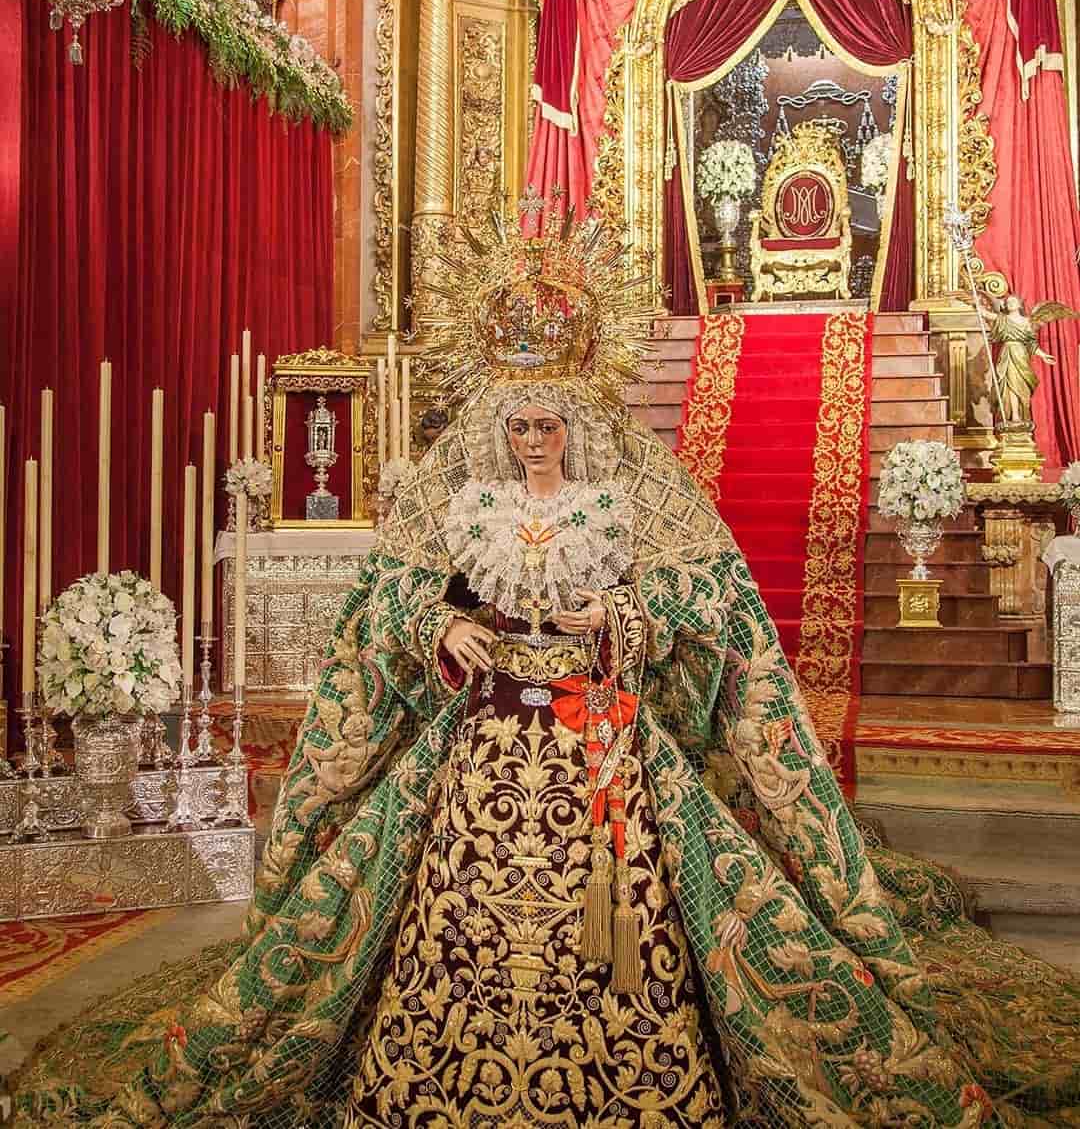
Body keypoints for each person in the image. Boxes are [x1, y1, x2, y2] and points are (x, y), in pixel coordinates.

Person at [13, 221, 1080, 1127]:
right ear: (498, 403)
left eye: (548, 416)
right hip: (479, 737)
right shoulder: (452, 477)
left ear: (577, 402)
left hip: (603, 734)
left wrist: (626, 608)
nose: (531, 436)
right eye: (518, 416)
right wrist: (439, 623)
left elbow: (718, 595)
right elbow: (382, 596)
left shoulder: (635, 475)